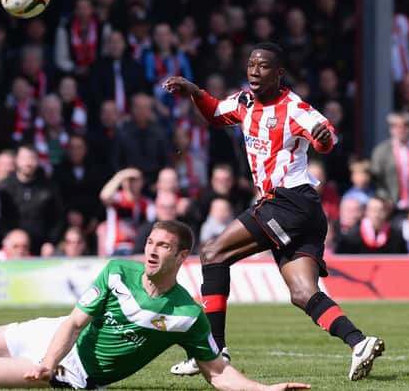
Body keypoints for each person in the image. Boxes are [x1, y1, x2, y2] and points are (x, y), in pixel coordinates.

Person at [0, 220, 310, 391]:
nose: (152, 251)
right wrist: (46, 357)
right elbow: (76, 321)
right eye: (150, 242)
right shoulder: (118, 270)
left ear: (181, 258)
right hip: (57, 341)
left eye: (163, 246)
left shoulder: (186, 315)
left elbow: (218, 373)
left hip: (73, 374)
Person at [163, 42, 384, 381]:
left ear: (279, 74)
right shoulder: (243, 102)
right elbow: (213, 113)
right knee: (302, 293)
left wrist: (323, 139)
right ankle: (358, 342)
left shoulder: (294, 107)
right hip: (301, 211)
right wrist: (194, 90)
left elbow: (327, 138)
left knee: (213, 253)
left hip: (289, 201)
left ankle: (212, 350)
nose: (254, 71)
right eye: (251, 64)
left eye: (263, 66)